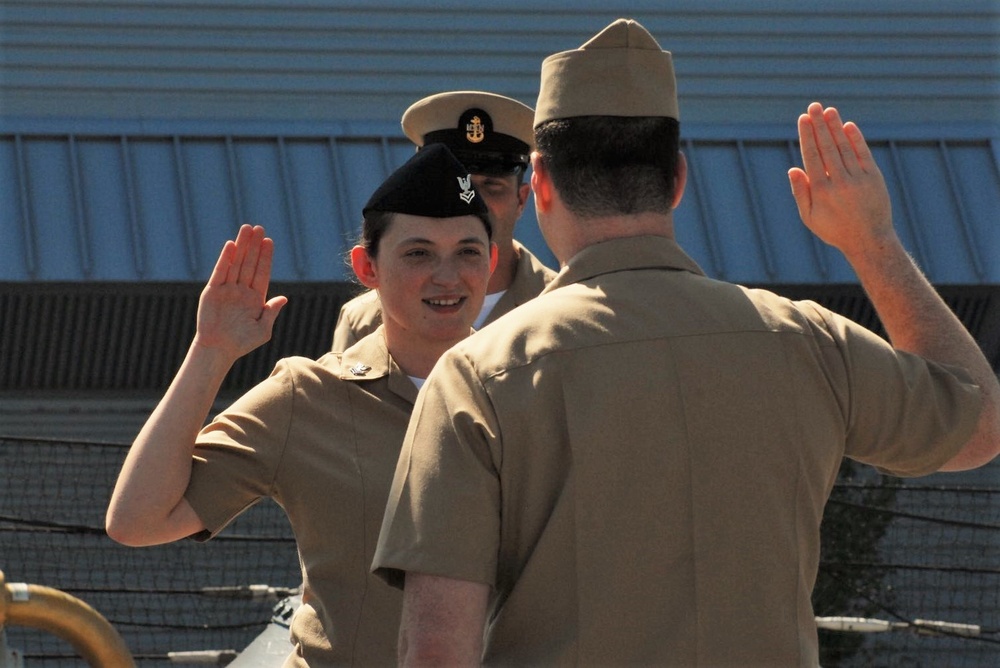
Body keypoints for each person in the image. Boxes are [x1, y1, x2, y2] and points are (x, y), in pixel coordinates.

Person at [371, 18, 1000, 666]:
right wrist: (873, 242)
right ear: (676, 179)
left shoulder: (476, 377)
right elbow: (978, 422)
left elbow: (437, 650)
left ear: (542, 182)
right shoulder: (806, 342)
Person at [105, 143, 498, 666]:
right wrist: (211, 352)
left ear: (492, 261)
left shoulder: (528, 390)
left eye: (468, 252)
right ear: (367, 267)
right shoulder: (308, 396)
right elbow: (138, 519)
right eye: (418, 253)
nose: (447, 277)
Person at [331, 91, 556, 351]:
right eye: (459, 187)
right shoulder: (365, 319)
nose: (472, 201)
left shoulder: (560, 304)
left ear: (521, 199)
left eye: (492, 186)